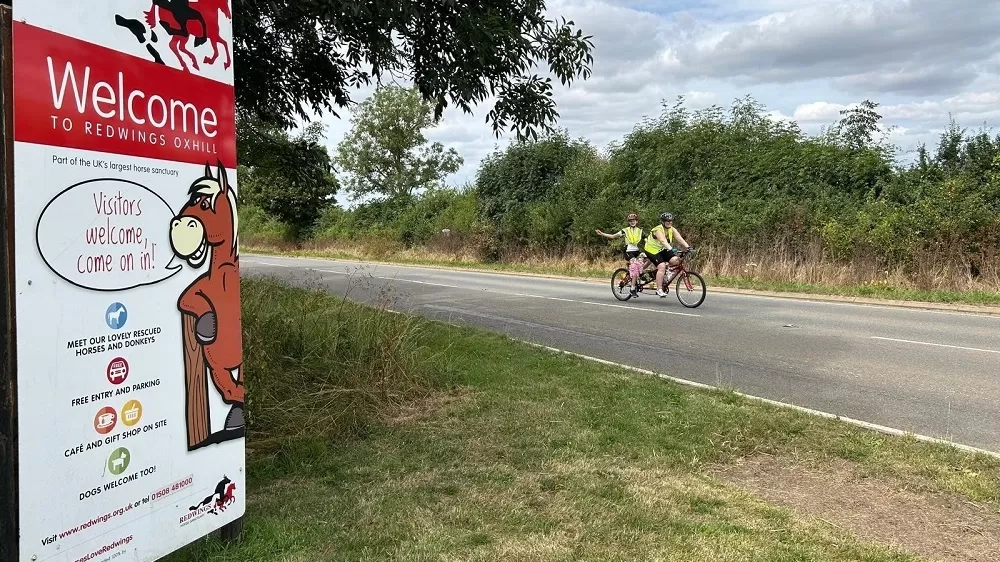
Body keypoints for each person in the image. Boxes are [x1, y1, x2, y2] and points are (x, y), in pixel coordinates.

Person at [596, 212, 647, 296]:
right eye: (630, 221)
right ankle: (632, 288)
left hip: (637, 250)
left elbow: (648, 241)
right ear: (628, 222)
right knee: (635, 264)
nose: (632, 222)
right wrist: (602, 233)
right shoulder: (625, 230)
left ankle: (640, 274)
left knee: (648, 257)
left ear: (637, 221)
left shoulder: (640, 231)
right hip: (628, 251)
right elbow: (613, 236)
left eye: (634, 220)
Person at [642, 212, 691, 298]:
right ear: (663, 222)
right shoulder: (658, 230)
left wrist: (687, 247)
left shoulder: (672, 229)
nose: (669, 222)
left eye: (671, 221)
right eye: (667, 221)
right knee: (662, 266)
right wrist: (671, 249)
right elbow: (663, 241)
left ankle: (663, 275)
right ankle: (659, 289)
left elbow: (679, 238)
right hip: (651, 250)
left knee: (676, 260)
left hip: (662, 249)